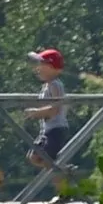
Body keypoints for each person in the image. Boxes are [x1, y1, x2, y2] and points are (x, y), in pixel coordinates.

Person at [23, 48, 71, 195]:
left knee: (49, 160)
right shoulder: (47, 86)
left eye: (41, 65)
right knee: (34, 157)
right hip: (47, 130)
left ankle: (63, 193)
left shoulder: (55, 84)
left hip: (56, 129)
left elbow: (55, 108)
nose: (37, 68)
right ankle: (62, 171)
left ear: (51, 67)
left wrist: (37, 112)